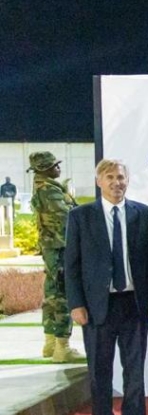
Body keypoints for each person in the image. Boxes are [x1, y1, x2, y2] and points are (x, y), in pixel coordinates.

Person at [64, 160, 148, 415]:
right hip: (97, 308)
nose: (116, 182)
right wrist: (76, 304)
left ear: (127, 180)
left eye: (120, 177)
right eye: (109, 177)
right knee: (100, 375)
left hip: (134, 305)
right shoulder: (80, 216)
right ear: (99, 181)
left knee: (134, 372)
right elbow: (71, 265)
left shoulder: (144, 214)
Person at [28, 151, 81, 362]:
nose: (58, 168)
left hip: (52, 247)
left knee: (51, 294)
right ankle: (62, 347)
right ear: (45, 169)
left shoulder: (43, 187)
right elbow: (69, 216)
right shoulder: (50, 190)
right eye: (54, 166)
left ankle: (50, 344)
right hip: (59, 248)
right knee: (61, 295)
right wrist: (71, 199)